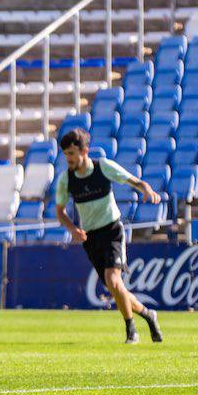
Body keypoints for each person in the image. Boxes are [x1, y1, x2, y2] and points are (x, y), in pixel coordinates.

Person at [55, 128, 163, 344]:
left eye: (72, 153)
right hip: (91, 237)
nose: (68, 158)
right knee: (116, 288)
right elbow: (60, 211)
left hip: (112, 230)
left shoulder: (103, 167)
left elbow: (133, 181)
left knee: (113, 281)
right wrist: (73, 229)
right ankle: (148, 315)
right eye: (65, 154)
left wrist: (146, 189)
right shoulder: (66, 180)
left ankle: (131, 331)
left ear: (84, 151)